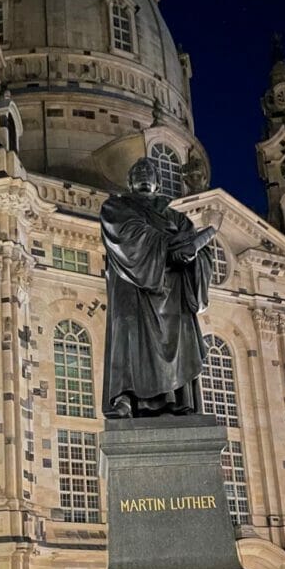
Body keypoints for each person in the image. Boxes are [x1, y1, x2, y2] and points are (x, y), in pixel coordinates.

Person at [100, 157, 220, 418]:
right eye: (138, 171)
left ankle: (179, 400)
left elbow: (199, 251)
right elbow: (129, 237)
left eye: (150, 171)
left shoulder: (177, 217)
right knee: (129, 336)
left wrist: (193, 255)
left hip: (173, 290)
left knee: (176, 340)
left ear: (159, 182)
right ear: (129, 181)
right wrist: (173, 246)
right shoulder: (116, 207)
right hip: (133, 286)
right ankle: (125, 398)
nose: (144, 174)